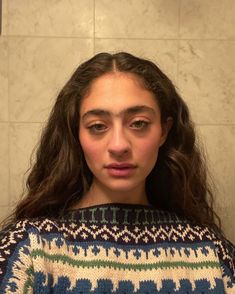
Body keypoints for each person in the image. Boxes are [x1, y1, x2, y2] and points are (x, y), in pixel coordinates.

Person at [0, 52, 234, 293]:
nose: (119, 145)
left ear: (164, 131)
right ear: (76, 134)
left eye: (139, 123)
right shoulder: (28, 250)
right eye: (98, 126)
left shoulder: (212, 253)